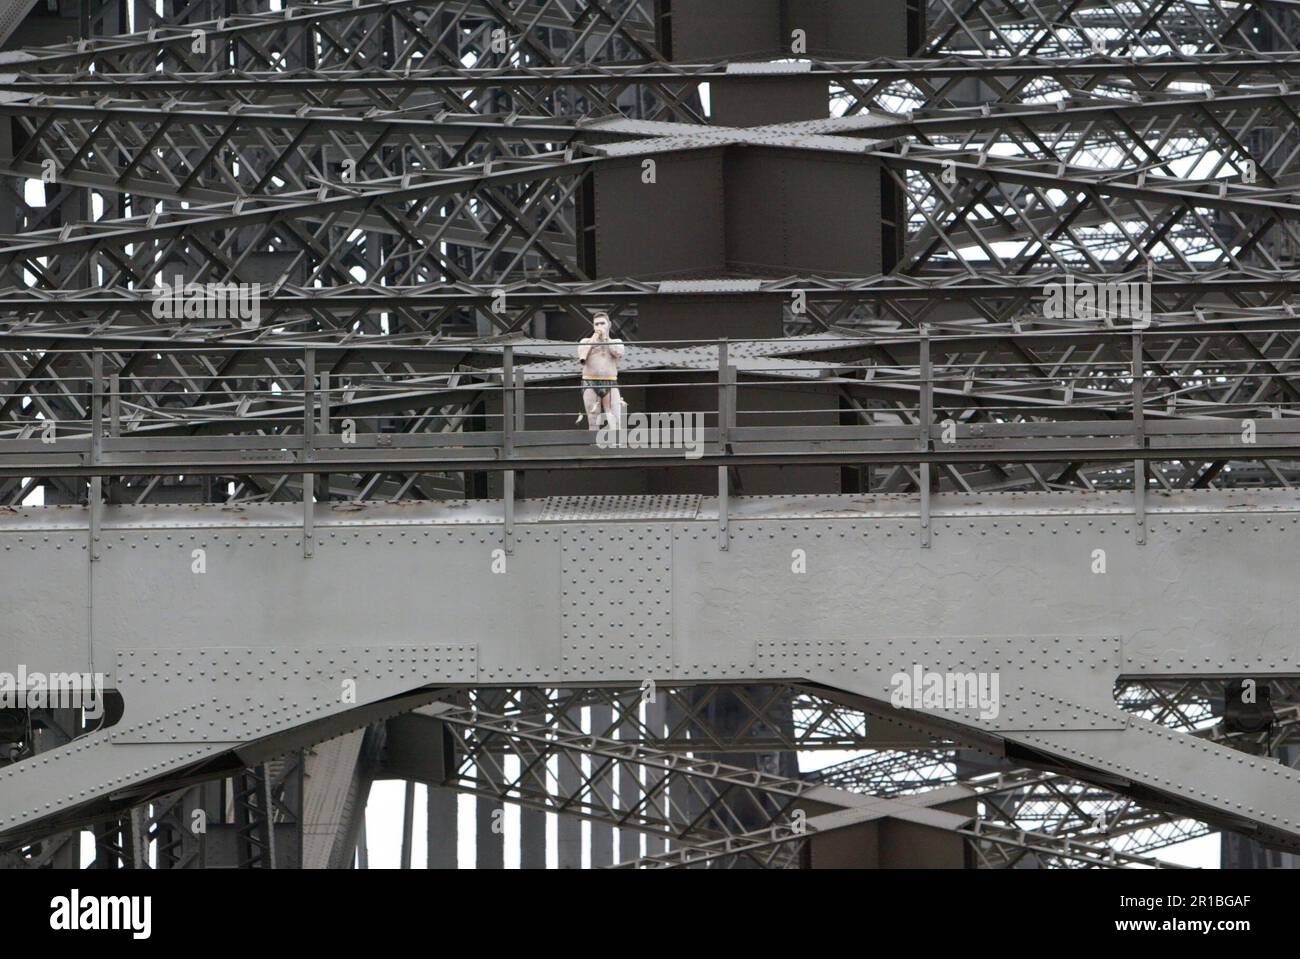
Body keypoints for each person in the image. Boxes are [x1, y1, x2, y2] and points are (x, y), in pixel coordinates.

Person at [577, 312, 625, 430]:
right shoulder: (585, 341)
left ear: (609, 324)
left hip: (610, 382)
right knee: (593, 418)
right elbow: (581, 356)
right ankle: (594, 445)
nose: (599, 326)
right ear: (593, 326)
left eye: (602, 323)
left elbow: (618, 353)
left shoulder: (616, 342)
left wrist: (605, 338)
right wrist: (592, 344)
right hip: (590, 382)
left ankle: (615, 445)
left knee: (615, 416)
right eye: (596, 324)